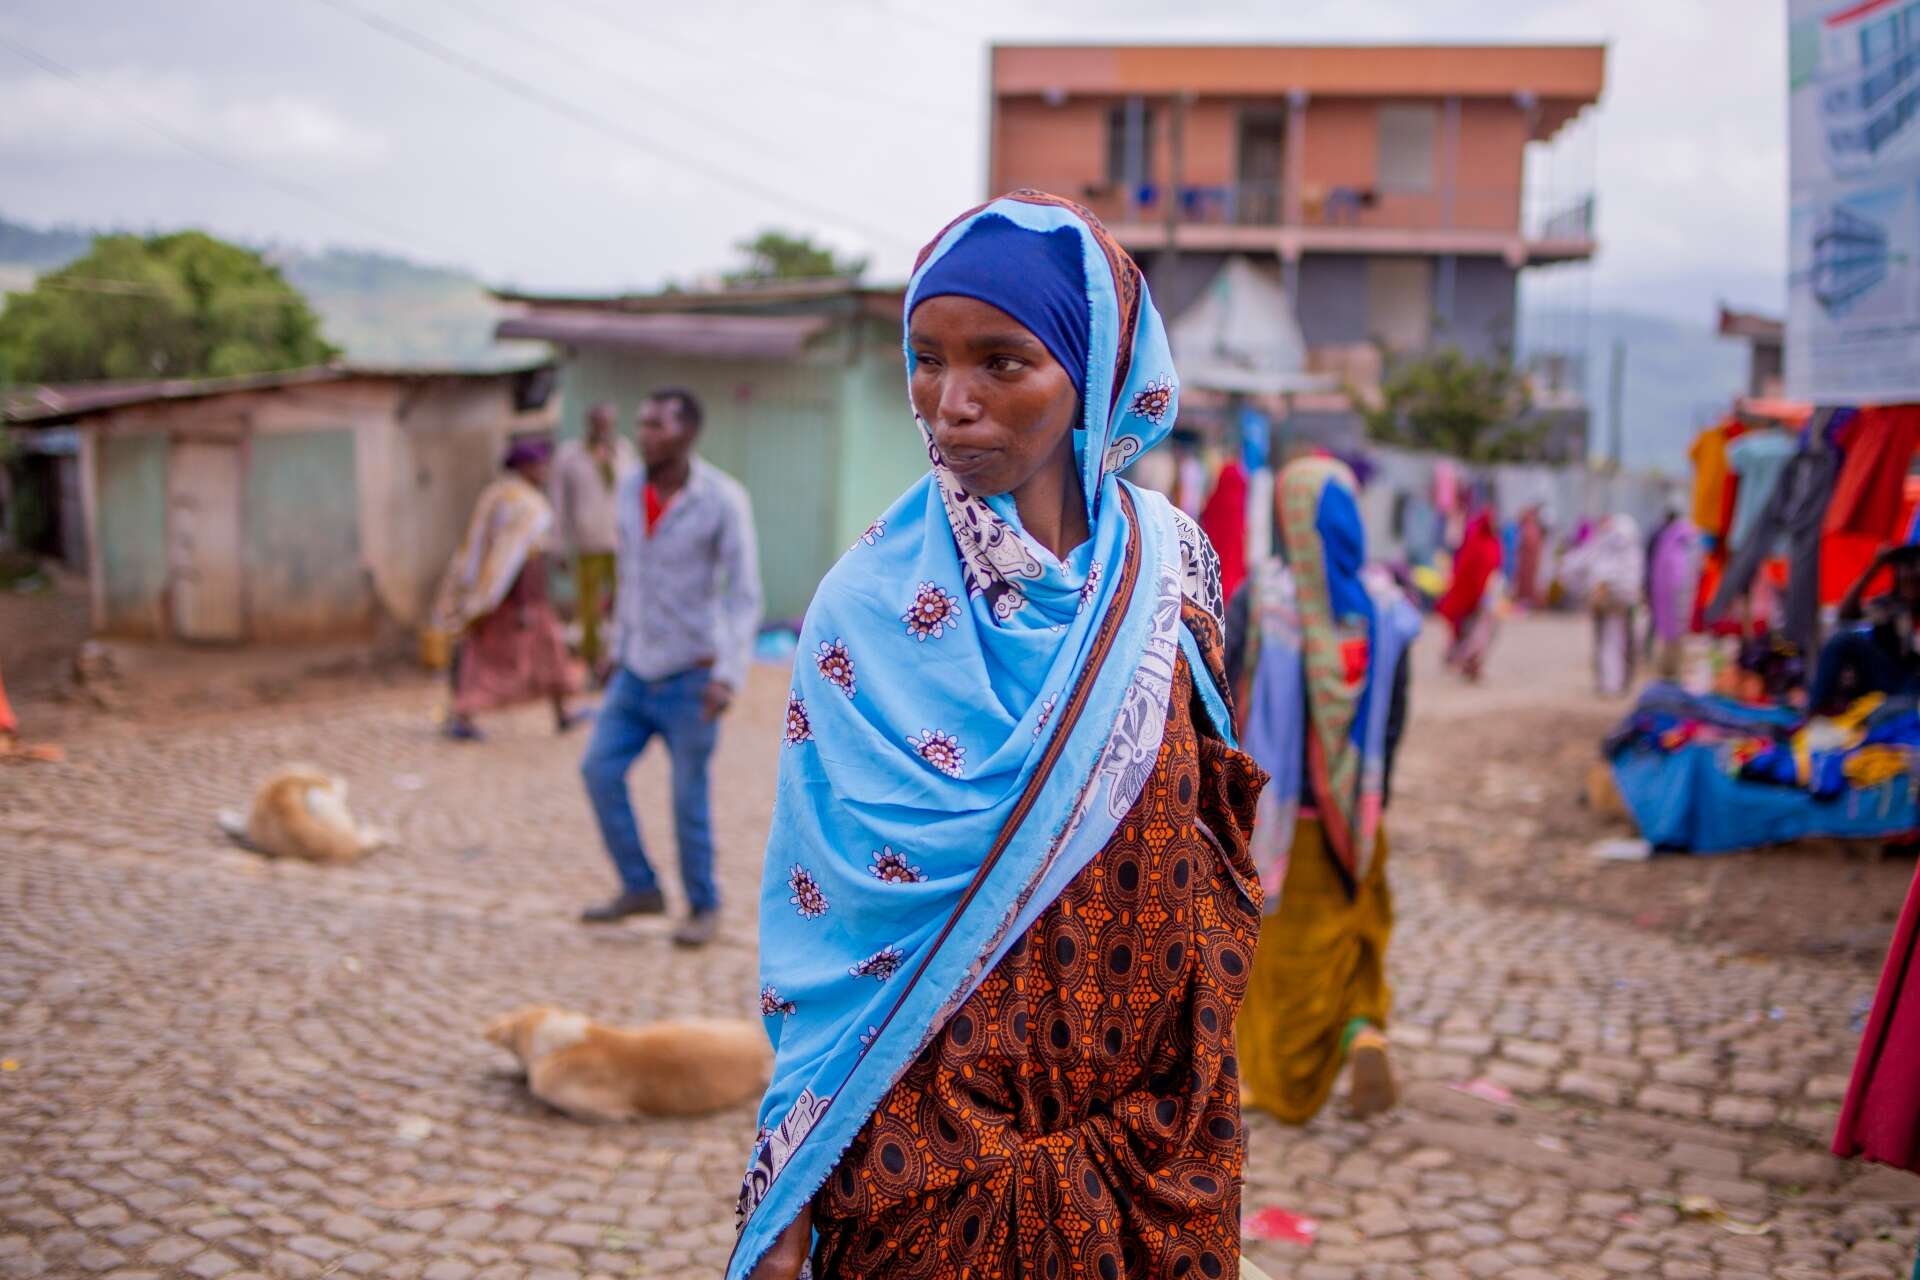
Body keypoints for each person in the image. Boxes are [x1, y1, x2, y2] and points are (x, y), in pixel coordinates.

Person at [734, 192, 1264, 1280]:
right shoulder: (865, 613)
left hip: (1151, 1159)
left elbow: (1209, 833)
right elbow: (823, 926)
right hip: (930, 1174)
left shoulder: (1175, 576)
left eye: (1002, 363)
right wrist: (788, 1185)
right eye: (926, 360)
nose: (951, 403)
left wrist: (1192, 1086)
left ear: (1095, 374)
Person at [1224, 455, 1420, 1124]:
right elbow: (1392, 722)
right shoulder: (1388, 610)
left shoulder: (1266, 602)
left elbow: (1223, 700)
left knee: (1282, 958)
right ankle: (1361, 1026)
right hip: (1358, 817)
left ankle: (1280, 1083)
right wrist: (1370, 802)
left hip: (1284, 825)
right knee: (1355, 932)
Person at [577, 389, 761, 948]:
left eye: (656, 425)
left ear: (686, 433)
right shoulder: (630, 489)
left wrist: (727, 676)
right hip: (636, 671)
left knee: (688, 799)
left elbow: (745, 595)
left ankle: (702, 906)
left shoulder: (723, 499)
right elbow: (630, 577)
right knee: (598, 770)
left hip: (692, 678)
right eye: (642, 423)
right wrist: (614, 645)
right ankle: (640, 887)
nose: (645, 434)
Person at [431, 441, 582, 741]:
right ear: (524, 467)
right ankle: (462, 714)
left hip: (517, 595)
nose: (545, 471)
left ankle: (562, 712)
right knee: (492, 659)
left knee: (549, 653)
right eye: (539, 466)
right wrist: (520, 602)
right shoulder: (520, 503)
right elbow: (510, 558)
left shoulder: (502, 495)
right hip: (514, 598)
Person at [550, 401, 637, 676]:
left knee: (626, 604)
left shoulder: (624, 452)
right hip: (587, 544)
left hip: (622, 543)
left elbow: (636, 495)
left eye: (608, 423)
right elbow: (558, 502)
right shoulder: (570, 456)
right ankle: (591, 664)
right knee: (589, 610)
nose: (603, 428)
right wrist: (558, 544)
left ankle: (621, 661)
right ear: (589, 423)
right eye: (598, 422)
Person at [1809, 543, 1920, 714]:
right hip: (1886, 678)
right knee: (1843, 638)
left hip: (1913, 684)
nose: (1912, 574)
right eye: (1906, 567)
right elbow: (1846, 614)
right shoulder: (1888, 605)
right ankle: (1815, 710)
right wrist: (1874, 567)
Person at [1563, 513, 1644, 697]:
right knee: (1620, 642)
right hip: (1622, 599)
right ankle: (1617, 683)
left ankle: (1610, 683)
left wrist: (1591, 588)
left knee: (1609, 642)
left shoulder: (1606, 543)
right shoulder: (1629, 546)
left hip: (1609, 598)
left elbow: (1576, 567)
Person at [1435, 507, 1503, 681]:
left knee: (1481, 632)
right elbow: (1467, 573)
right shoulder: (1477, 544)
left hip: (1481, 599)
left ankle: (1470, 663)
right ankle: (1466, 662)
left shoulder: (1490, 544)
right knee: (1472, 632)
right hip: (1469, 599)